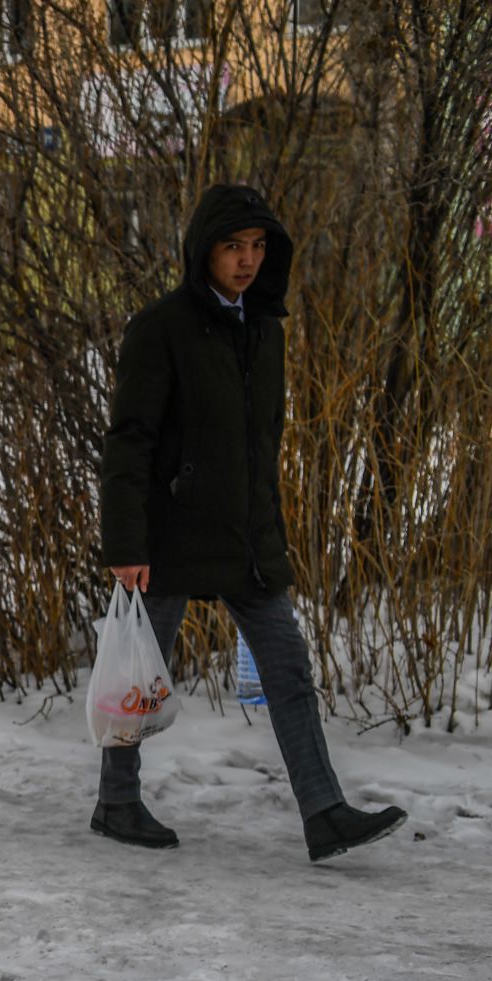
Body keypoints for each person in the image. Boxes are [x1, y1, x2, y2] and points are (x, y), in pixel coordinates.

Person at [96, 183, 406, 863]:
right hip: (169, 533)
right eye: (233, 246)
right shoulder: (161, 326)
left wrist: (272, 531)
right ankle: (117, 801)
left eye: (258, 246)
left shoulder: (266, 330)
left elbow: (263, 442)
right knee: (140, 675)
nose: (247, 260)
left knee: (289, 670)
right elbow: (130, 440)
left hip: (248, 537)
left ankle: (324, 813)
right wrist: (124, 542)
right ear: (203, 250)